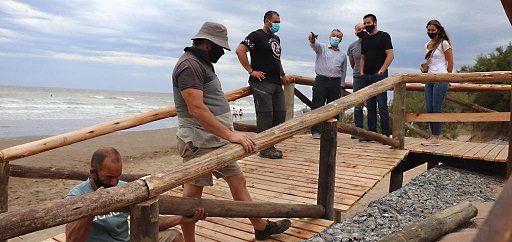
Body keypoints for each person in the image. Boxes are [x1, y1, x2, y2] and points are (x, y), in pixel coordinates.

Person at [172, 22, 291, 242]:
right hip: (199, 142)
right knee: (191, 198)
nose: (222, 52)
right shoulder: (189, 66)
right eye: (219, 47)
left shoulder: (202, 63)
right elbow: (196, 108)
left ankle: (260, 227)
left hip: (215, 139)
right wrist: (231, 135)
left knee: (238, 181)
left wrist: (225, 135)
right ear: (207, 44)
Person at [65, 147, 207, 242]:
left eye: (117, 177)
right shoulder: (76, 196)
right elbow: (72, 240)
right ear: (92, 173)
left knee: (174, 237)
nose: (114, 183)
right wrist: (93, 206)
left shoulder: (124, 188)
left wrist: (181, 218)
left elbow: (147, 223)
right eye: (109, 177)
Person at [236, 10, 289, 159]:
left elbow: (277, 59)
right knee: (266, 114)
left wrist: (282, 74)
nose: (278, 24)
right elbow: (240, 50)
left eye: (279, 22)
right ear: (267, 21)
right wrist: (251, 71)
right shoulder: (256, 35)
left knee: (280, 113)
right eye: (275, 22)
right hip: (260, 82)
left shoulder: (276, 39)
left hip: (276, 81)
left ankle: (270, 144)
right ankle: (264, 148)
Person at [359, 14, 394, 141]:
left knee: (382, 105)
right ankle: (372, 133)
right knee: (370, 106)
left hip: (379, 75)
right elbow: (362, 57)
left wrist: (382, 71)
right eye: (365, 23)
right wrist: (361, 72)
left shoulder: (384, 36)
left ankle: (385, 135)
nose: (366, 25)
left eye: (368, 23)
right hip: (366, 75)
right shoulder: (365, 38)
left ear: (375, 22)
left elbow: (390, 55)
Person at [308, 29, 347, 139]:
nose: (335, 38)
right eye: (333, 35)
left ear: (341, 39)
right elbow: (314, 45)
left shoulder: (343, 55)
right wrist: (312, 39)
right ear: (330, 37)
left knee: (334, 107)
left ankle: (331, 131)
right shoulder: (322, 48)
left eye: (338, 36)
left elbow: (343, 71)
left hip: (335, 82)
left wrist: (342, 85)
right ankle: (316, 131)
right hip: (321, 80)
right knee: (317, 105)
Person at [421, 20, 454, 146]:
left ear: (438, 30)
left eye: (433, 30)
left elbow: (450, 61)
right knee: (429, 107)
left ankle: (436, 137)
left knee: (436, 107)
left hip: (441, 77)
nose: (430, 32)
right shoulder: (427, 45)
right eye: (428, 30)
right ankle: (432, 135)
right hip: (429, 78)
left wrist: (449, 77)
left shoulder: (444, 44)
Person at [347, 23, 368, 139]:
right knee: (357, 104)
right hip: (357, 77)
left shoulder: (371, 42)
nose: (361, 31)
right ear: (355, 33)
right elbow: (352, 63)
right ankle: (358, 130)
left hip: (370, 76)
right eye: (359, 29)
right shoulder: (352, 46)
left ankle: (371, 131)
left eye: (363, 28)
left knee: (370, 103)